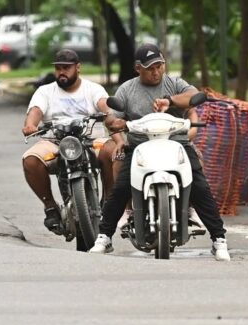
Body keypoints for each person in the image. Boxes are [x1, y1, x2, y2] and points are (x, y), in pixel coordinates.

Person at [89, 43, 230, 261]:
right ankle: (104, 237)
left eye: (159, 66)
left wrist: (170, 101)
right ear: (138, 68)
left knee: (199, 186)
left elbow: (193, 95)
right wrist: (118, 125)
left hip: (177, 144)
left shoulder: (174, 83)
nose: (156, 72)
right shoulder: (127, 89)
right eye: (150, 68)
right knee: (121, 188)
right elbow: (111, 118)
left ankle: (219, 239)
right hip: (140, 147)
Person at [22, 49, 124, 239]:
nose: (62, 72)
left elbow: (105, 107)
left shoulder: (93, 89)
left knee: (112, 150)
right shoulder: (45, 91)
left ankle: (108, 201)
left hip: (91, 140)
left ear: (78, 68)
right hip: (55, 141)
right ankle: (51, 207)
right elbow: (35, 111)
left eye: (66, 68)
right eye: (59, 68)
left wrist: (112, 118)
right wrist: (30, 125)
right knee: (30, 160)